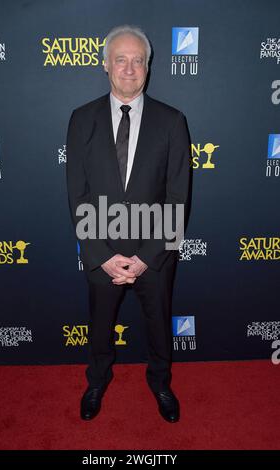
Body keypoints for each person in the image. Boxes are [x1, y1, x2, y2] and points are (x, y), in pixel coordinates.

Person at [66, 25, 191, 423]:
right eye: (121, 59)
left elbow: (177, 197)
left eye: (139, 60)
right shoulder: (81, 119)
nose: (130, 68)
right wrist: (102, 256)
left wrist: (145, 257)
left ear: (149, 67)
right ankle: (97, 381)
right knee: (100, 328)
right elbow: (77, 195)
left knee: (159, 329)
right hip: (101, 253)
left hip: (153, 257)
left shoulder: (172, 121)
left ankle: (160, 382)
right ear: (105, 65)